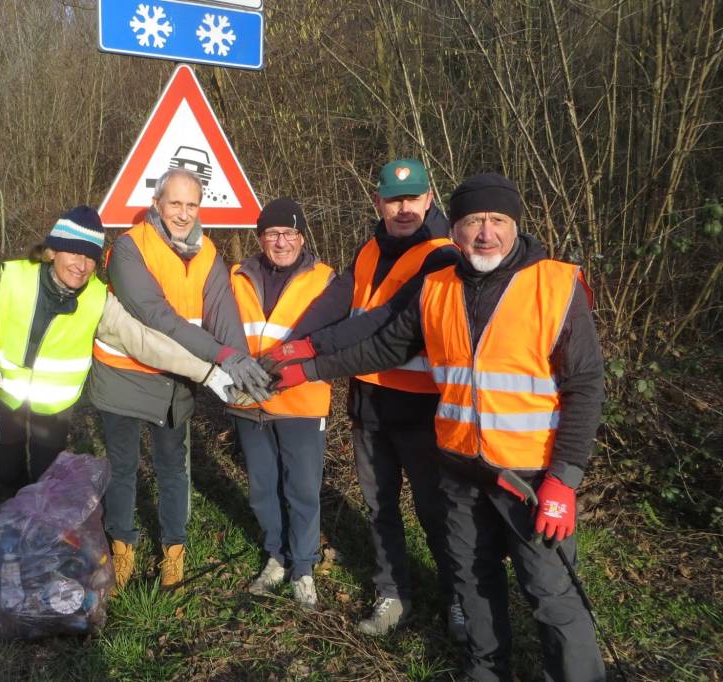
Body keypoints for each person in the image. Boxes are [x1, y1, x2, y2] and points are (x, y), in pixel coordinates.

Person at [274, 173, 606, 682]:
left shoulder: (555, 285)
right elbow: (383, 348)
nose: (486, 233)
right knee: (473, 583)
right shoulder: (439, 286)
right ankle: (485, 671)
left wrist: (566, 477)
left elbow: (585, 384)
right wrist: (308, 368)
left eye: (498, 221)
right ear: (455, 228)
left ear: (515, 225)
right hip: (460, 470)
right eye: (474, 221)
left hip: (532, 478)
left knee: (550, 592)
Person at [262, 159, 462, 637]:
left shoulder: (442, 255)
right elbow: (337, 301)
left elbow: (387, 325)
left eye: (413, 198)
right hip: (369, 405)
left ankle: (459, 595)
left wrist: (307, 351)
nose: (404, 208)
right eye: (394, 200)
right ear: (378, 202)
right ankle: (393, 592)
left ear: (428, 199)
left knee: (436, 509)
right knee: (381, 508)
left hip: (423, 409)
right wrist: (291, 338)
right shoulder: (371, 248)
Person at [0, 205, 243, 491]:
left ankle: (37, 530)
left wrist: (207, 373)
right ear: (53, 252)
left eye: (89, 257)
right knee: (8, 474)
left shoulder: (97, 299)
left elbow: (145, 342)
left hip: (53, 410)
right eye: (74, 252)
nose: (81, 265)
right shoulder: (15, 284)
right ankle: (12, 521)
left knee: (44, 481)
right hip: (5, 401)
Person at [88, 168, 271, 591]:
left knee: (173, 468)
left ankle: (174, 549)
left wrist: (241, 361)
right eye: (175, 204)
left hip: (175, 383)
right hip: (124, 376)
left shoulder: (208, 253)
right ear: (157, 204)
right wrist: (221, 358)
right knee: (122, 468)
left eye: (192, 205)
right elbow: (156, 316)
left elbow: (223, 315)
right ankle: (122, 547)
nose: (183, 214)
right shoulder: (130, 249)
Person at [228, 198, 334, 609]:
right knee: (261, 489)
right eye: (272, 233)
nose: (281, 241)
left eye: (289, 233)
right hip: (249, 402)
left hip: (302, 401)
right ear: (260, 238)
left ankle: (303, 568)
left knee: (302, 490)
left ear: (302, 237)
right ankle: (276, 556)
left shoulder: (326, 279)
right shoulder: (237, 276)